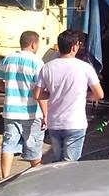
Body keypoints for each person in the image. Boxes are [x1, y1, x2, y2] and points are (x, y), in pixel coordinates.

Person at [34, 30, 104, 162]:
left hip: (54, 123)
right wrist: (87, 96)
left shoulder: (47, 67)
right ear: (74, 47)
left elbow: (37, 94)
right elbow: (99, 94)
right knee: (70, 165)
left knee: (58, 161)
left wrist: (50, 93)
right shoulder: (85, 67)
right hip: (75, 123)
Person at [0, 30, 45, 179]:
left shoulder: (8, 59)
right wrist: (46, 114)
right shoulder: (37, 62)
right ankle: (38, 176)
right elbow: (40, 90)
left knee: (8, 145)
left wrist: (8, 91)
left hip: (10, 110)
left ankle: (5, 178)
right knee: (33, 146)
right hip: (31, 112)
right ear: (34, 44)